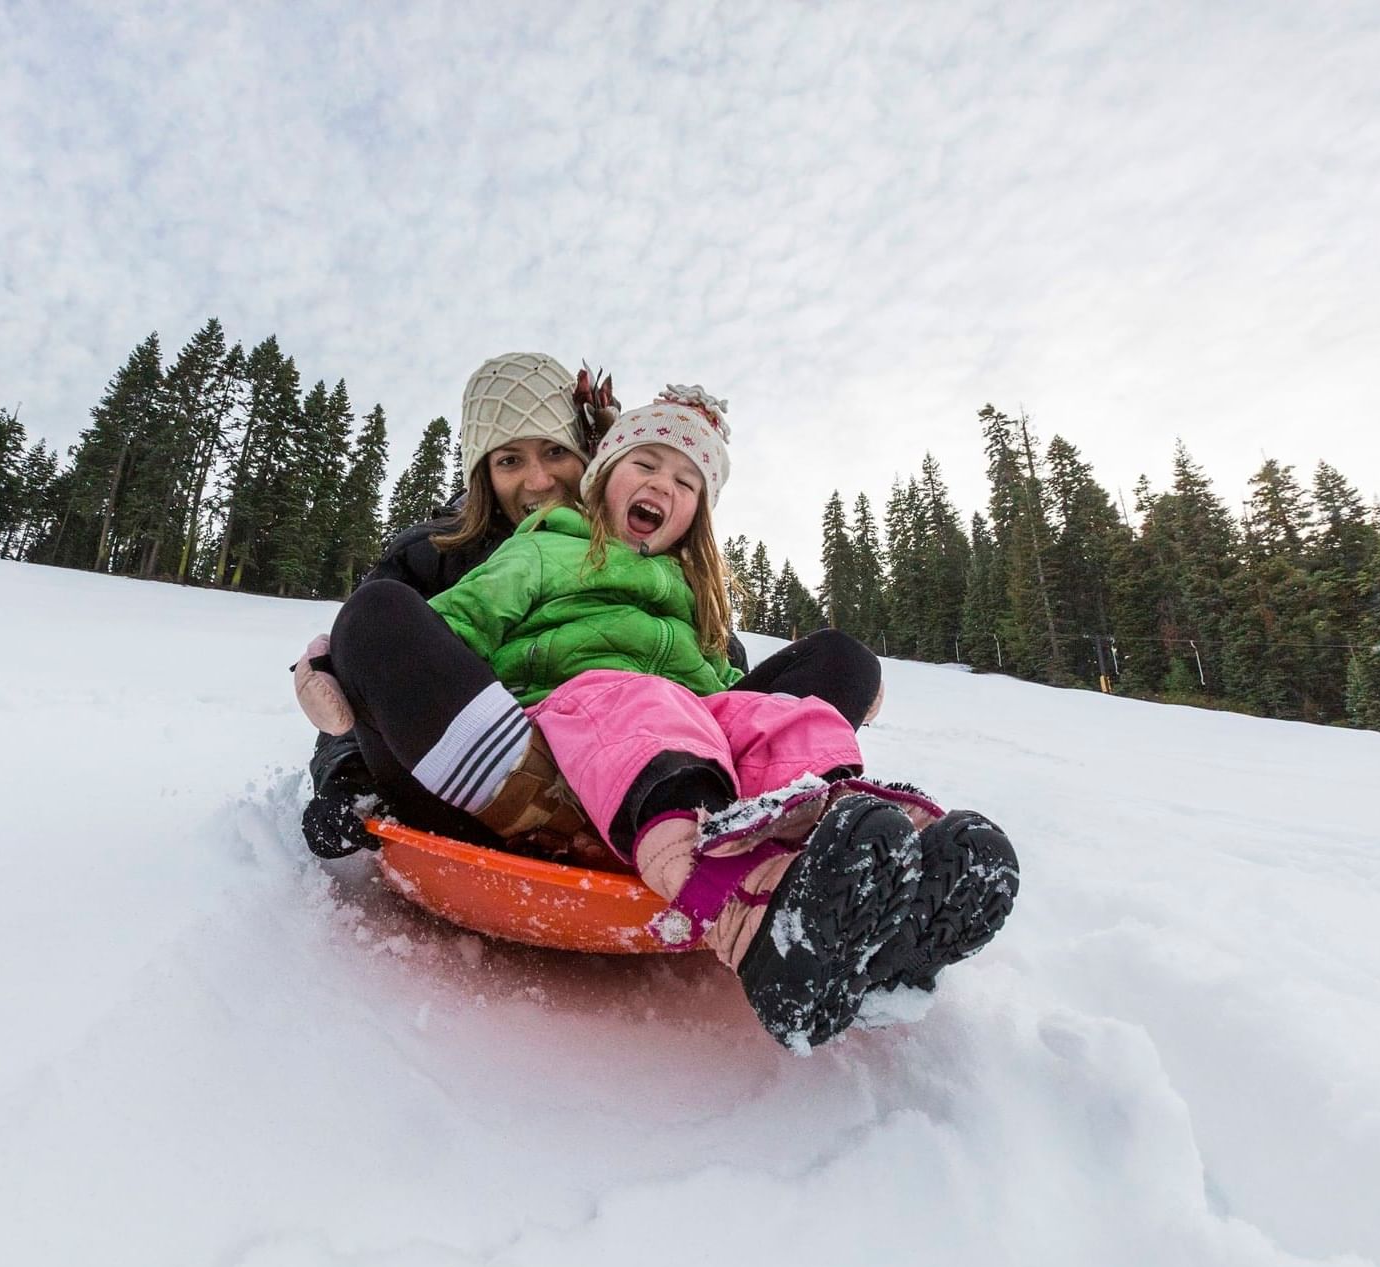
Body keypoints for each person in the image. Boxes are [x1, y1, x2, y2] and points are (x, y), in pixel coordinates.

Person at [306, 386, 1017, 1050]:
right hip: (545, 751)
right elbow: (454, 623)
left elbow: (723, 692)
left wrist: (792, 705)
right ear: (601, 476)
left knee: (785, 703)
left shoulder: (688, 591)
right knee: (384, 617)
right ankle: (737, 903)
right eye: (644, 463)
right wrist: (352, 682)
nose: (662, 485)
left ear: (697, 516)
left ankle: (858, 874)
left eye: (685, 483)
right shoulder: (544, 546)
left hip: (674, 749)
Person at [299, 354, 868, 859]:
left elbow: (712, 668)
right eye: (509, 461)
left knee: (838, 660)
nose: (538, 478)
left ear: (591, 460)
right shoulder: (437, 555)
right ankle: (540, 803)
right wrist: (346, 775)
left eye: (554, 452)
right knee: (378, 612)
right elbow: (378, 671)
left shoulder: (664, 568)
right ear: (481, 474)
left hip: (664, 765)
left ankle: (768, 818)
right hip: (495, 769)